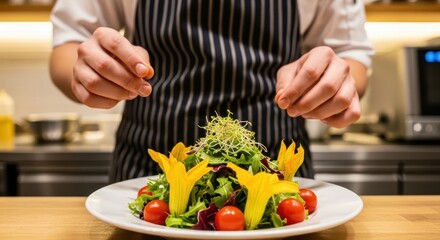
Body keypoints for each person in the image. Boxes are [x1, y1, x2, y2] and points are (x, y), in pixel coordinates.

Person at [49, 0, 374, 182]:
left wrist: (335, 83)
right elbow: (68, 45)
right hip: (149, 182)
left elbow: (350, 55)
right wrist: (87, 73)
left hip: (275, 183)